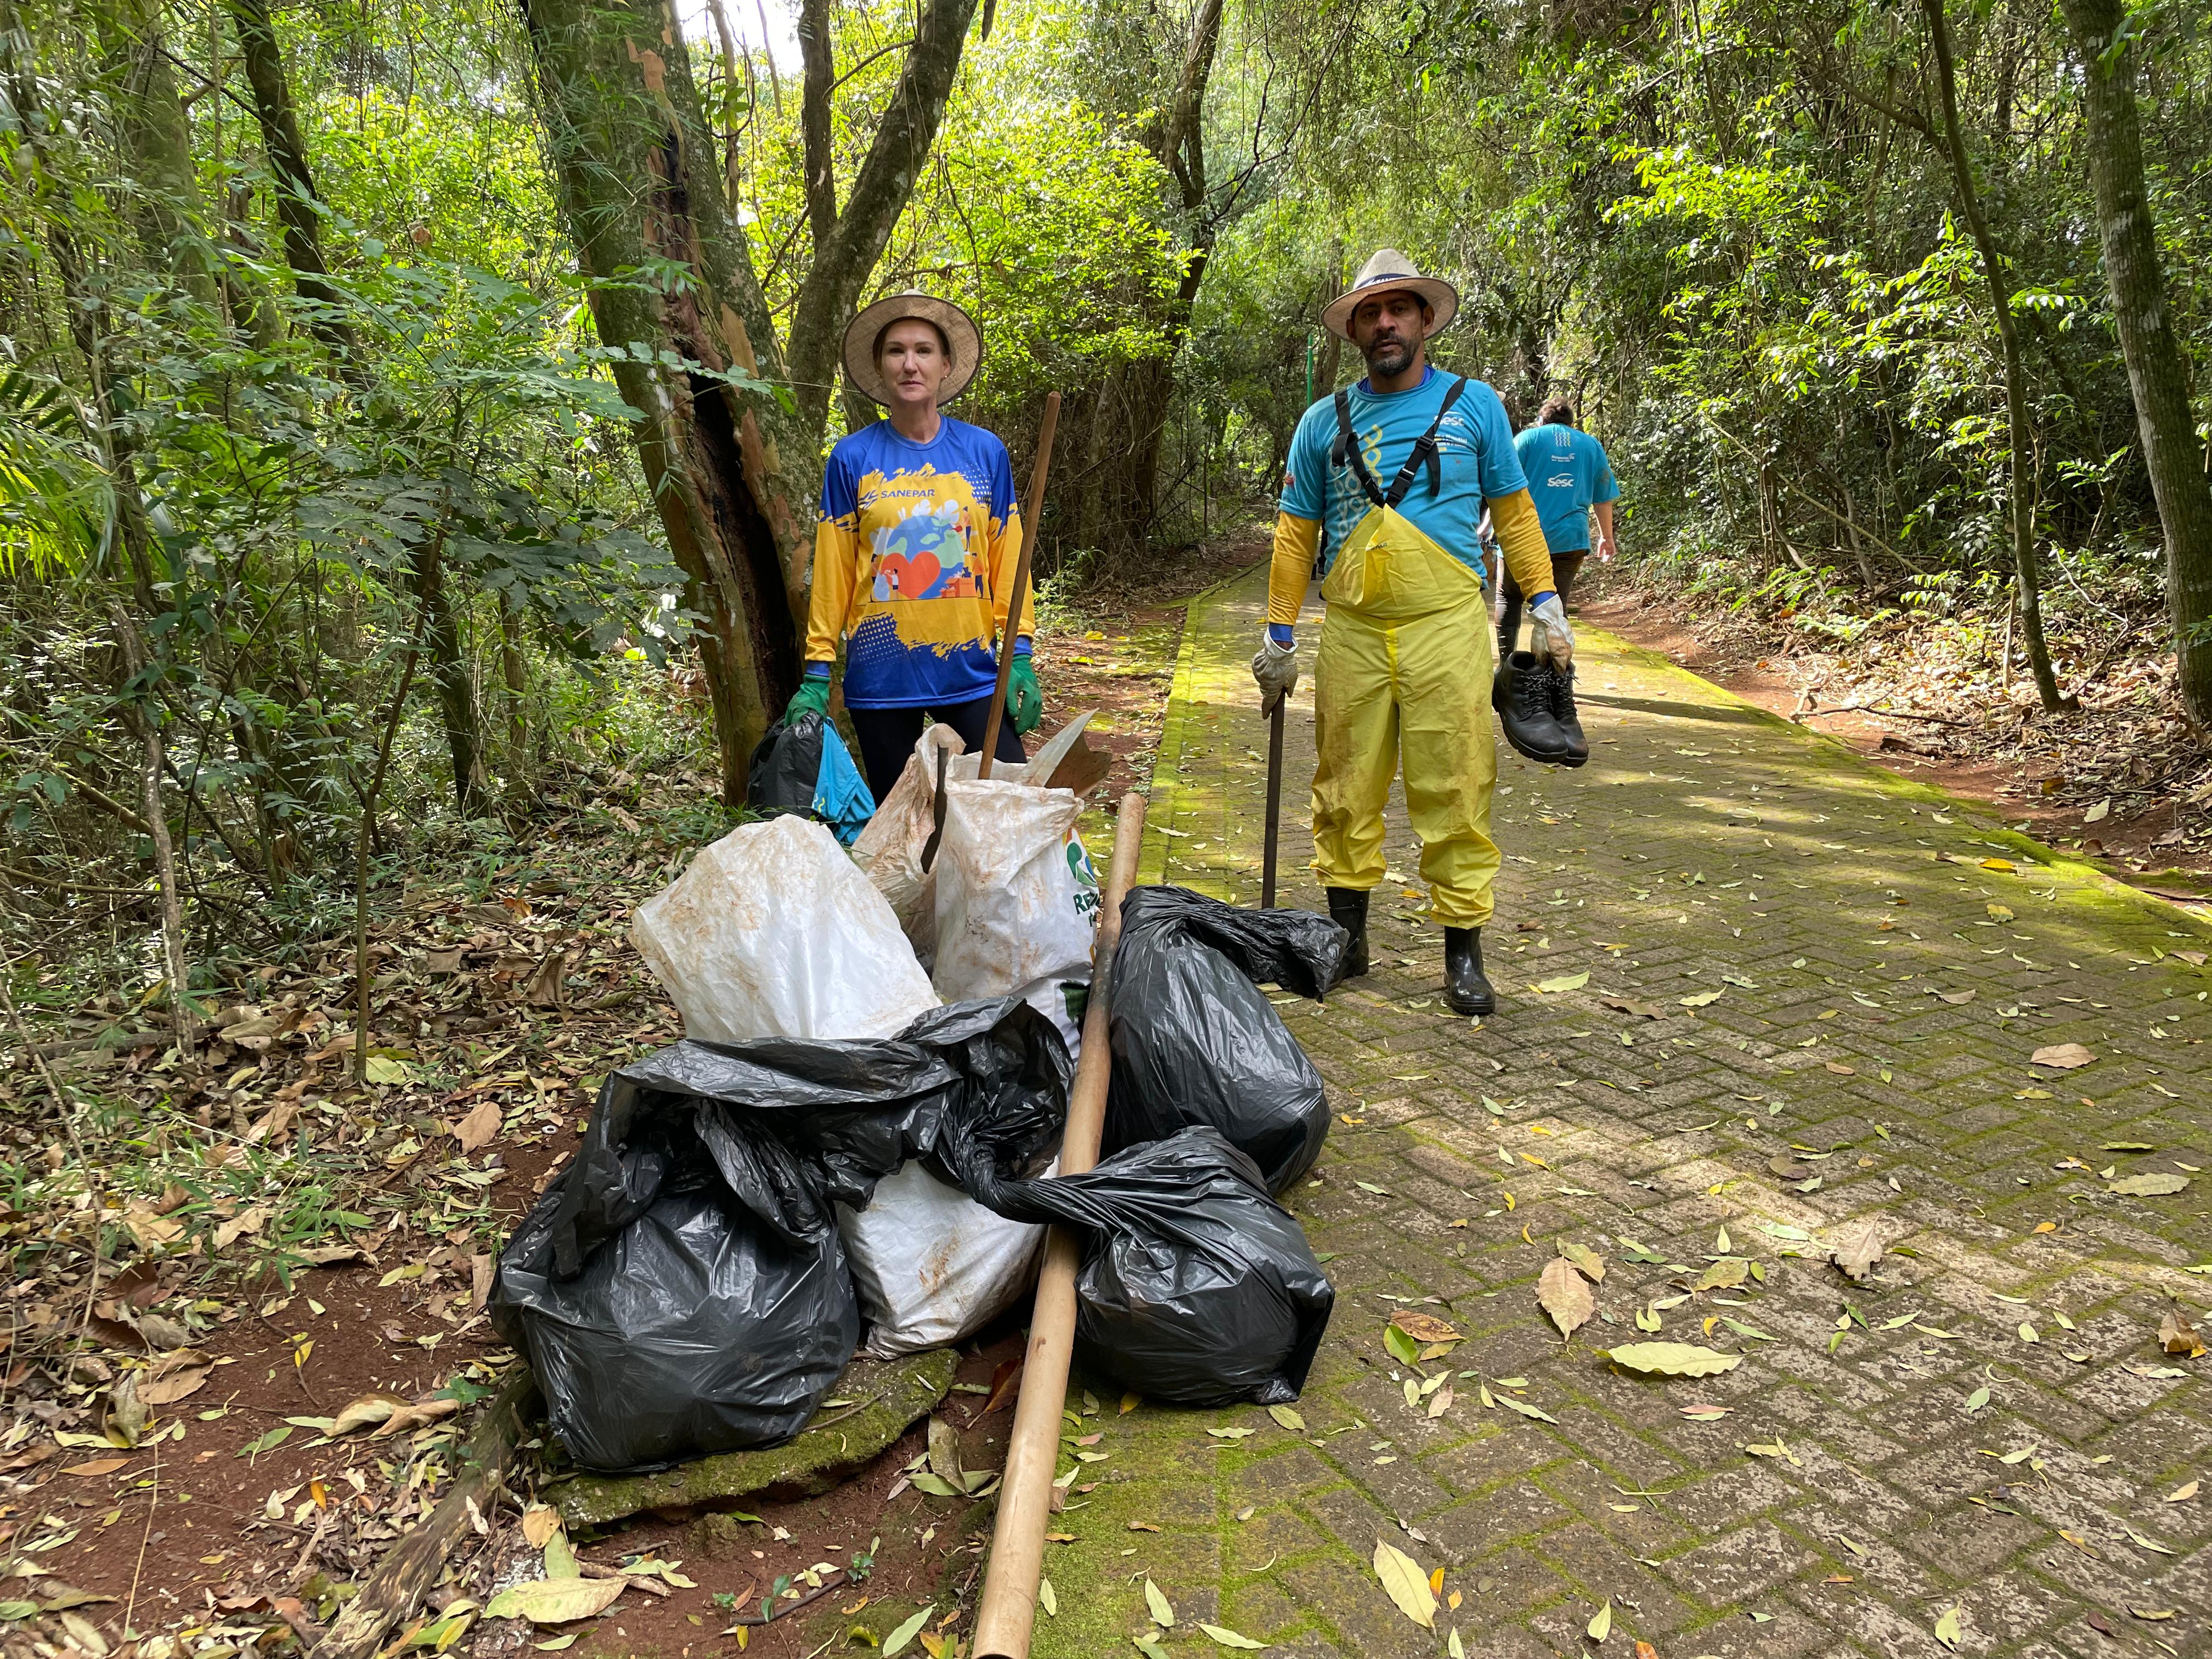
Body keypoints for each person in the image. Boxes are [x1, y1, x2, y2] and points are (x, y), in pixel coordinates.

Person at [1250, 250, 1573, 1017]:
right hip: (1354, 632)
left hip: (1447, 629)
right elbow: (1295, 537)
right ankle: (1348, 940)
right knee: (1344, 786)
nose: (1386, 322)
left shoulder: (1476, 406)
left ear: (1426, 319)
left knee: (1456, 783)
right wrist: (1279, 637)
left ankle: (1463, 954)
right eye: (1371, 312)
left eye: (1399, 309)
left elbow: (1516, 513)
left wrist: (1546, 601)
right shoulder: (1320, 423)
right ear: (1356, 330)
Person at [785, 290, 1040, 803]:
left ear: (945, 365)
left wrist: (1020, 652)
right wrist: (817, 670)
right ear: (880, 368)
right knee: (902, 829)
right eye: (896, 351)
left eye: (924, 350)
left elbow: (1008, 556)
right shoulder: (852, 458)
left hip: (971, 673)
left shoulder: (983, 452)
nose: (910, 364)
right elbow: (834, 568)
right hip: (881, 680)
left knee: (1008, 810)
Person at [1498, 397, 1618, 660]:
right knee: (1556, 603)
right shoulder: (1590, 445)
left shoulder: (1526, 439)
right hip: (1569, 539)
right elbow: (1603, 496)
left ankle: (1507, 666)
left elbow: (1501, 484)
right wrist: (1606, 537)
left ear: (1541, 420)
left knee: (1509, 597)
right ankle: (1553, 670)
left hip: (1521, 537)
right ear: (1571, 423)